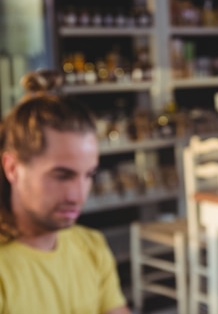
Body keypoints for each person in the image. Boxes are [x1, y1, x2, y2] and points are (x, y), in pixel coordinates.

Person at [0, 70, 130, 314]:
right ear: (12, 168)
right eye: (62, 176)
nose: (78, 196)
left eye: (88, 175)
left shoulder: (91, 246)